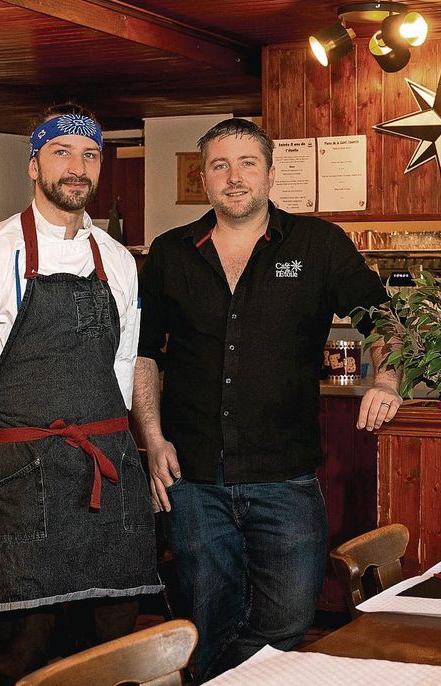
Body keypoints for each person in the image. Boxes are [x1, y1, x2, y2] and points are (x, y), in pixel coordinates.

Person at [133, 118, 400, 681]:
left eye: (247, 164)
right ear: (202, 177)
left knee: (289, 617)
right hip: (193, 478)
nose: (235, 177)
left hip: (285, 476)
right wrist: (152, 439)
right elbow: (145, 354)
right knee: (206, 618)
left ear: (271, 174)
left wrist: (386, 380)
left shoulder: (318, 243)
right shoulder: (169, 252)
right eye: (220, 165)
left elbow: (385, 322)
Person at [0, 103, 162, 684]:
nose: (76, 168)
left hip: (108, 475)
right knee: (23, 653)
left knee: (114, 650)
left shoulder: (116, 260)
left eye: (89, 156)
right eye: (61, 153)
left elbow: (122, 361)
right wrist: (8, 450)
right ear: (34, 165)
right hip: (23, 482)